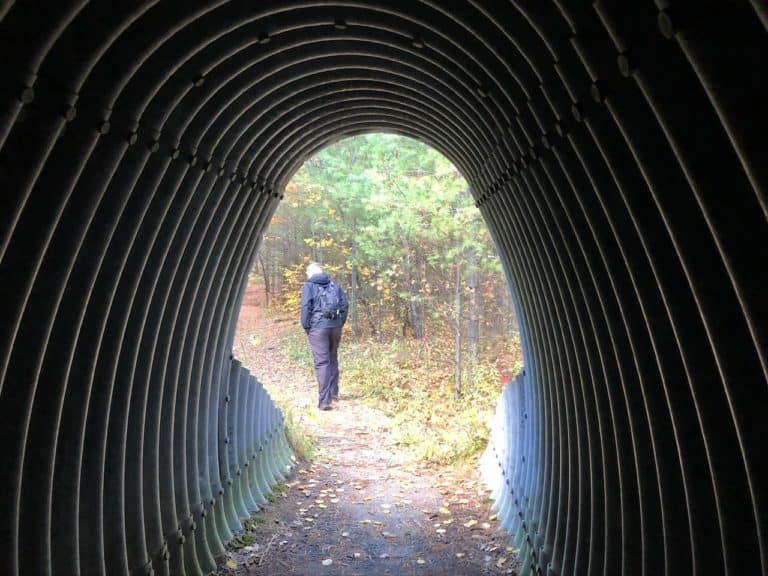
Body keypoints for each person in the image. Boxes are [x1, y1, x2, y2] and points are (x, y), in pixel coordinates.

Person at [300, 262, 349, 410]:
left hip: (318, 328)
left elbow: (305, 307)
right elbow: (344, 306)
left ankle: (324, 401)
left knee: (322, 363)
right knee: (332, 358)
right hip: (335, 327)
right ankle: (333, 393)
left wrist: (307, 326)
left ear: (311, 272)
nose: (307, 276)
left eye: (307, 273)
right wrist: (340, 323)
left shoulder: (309, 285)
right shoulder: (334, 285)